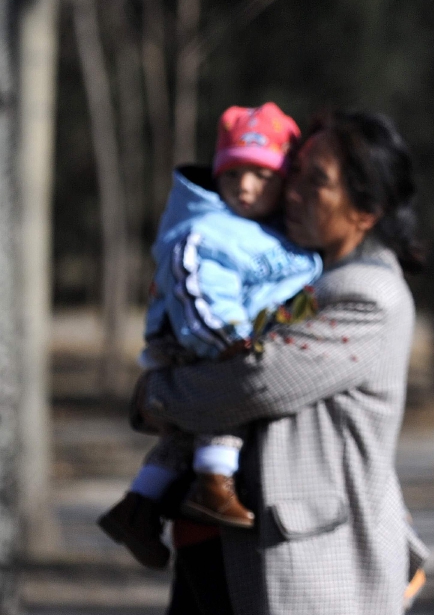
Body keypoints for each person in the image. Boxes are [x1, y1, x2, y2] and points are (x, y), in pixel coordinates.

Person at [135, 110, 427, 614]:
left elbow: (254, 382)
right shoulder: (292, 275)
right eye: (293, 174)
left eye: (316, 181)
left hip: (312, 560)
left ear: (366, 210)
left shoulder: (369, 295)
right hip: (217, 542)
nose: (290, 192)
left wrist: (153, 395)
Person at [99, 102, 319, 569]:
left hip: (224, 338)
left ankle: (138, 506)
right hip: (200, 340)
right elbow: (200, 291)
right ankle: (214, 486)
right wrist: (229, 342)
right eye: (233, 174)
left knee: (181, 437)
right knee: (223, 402)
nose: (245, 187)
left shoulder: (270, 234)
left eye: (262, 176)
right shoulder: (208, 231)